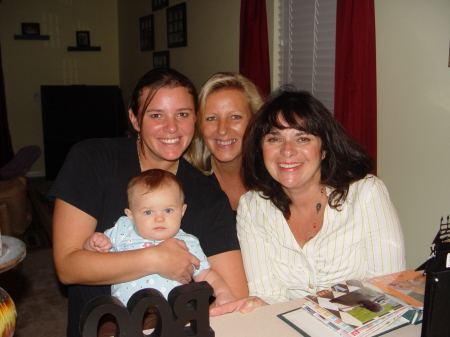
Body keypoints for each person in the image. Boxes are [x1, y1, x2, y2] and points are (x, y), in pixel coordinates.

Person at [49, 67, 248, 337]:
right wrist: (155, 258)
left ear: (195, 119)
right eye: (156, 115)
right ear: (134, 118)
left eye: (182, 114)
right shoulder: (93, 160)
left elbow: (234, 293)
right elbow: (68, 266)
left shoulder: (208, 194)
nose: (172, 127)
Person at [210, 86, 405, 316]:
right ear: (260, 149)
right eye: (274, 138)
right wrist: (261, 305)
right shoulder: (253, 208)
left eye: (302, 138)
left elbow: (386, 288)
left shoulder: (366, 194)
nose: (287, 151)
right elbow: (268, 294)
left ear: (324, 149)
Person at [84, 169, 235, 334]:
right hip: (123, 312)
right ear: (131, 215)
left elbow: (206, 275)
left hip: (170, 312)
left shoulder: (187, 242)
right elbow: (92, 257)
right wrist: (93, 244)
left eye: (168, 210)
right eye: (148, 212)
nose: (159, 218)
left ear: (182, 211)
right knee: (104, 329)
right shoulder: (123, 229)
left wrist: (222, 293)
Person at [184, 72, 263, 211]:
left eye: (235, 117)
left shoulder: (274, 176)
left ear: (254, 121)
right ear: (199, 126)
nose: (222, 130)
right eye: (211, 118)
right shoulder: (186, 183)